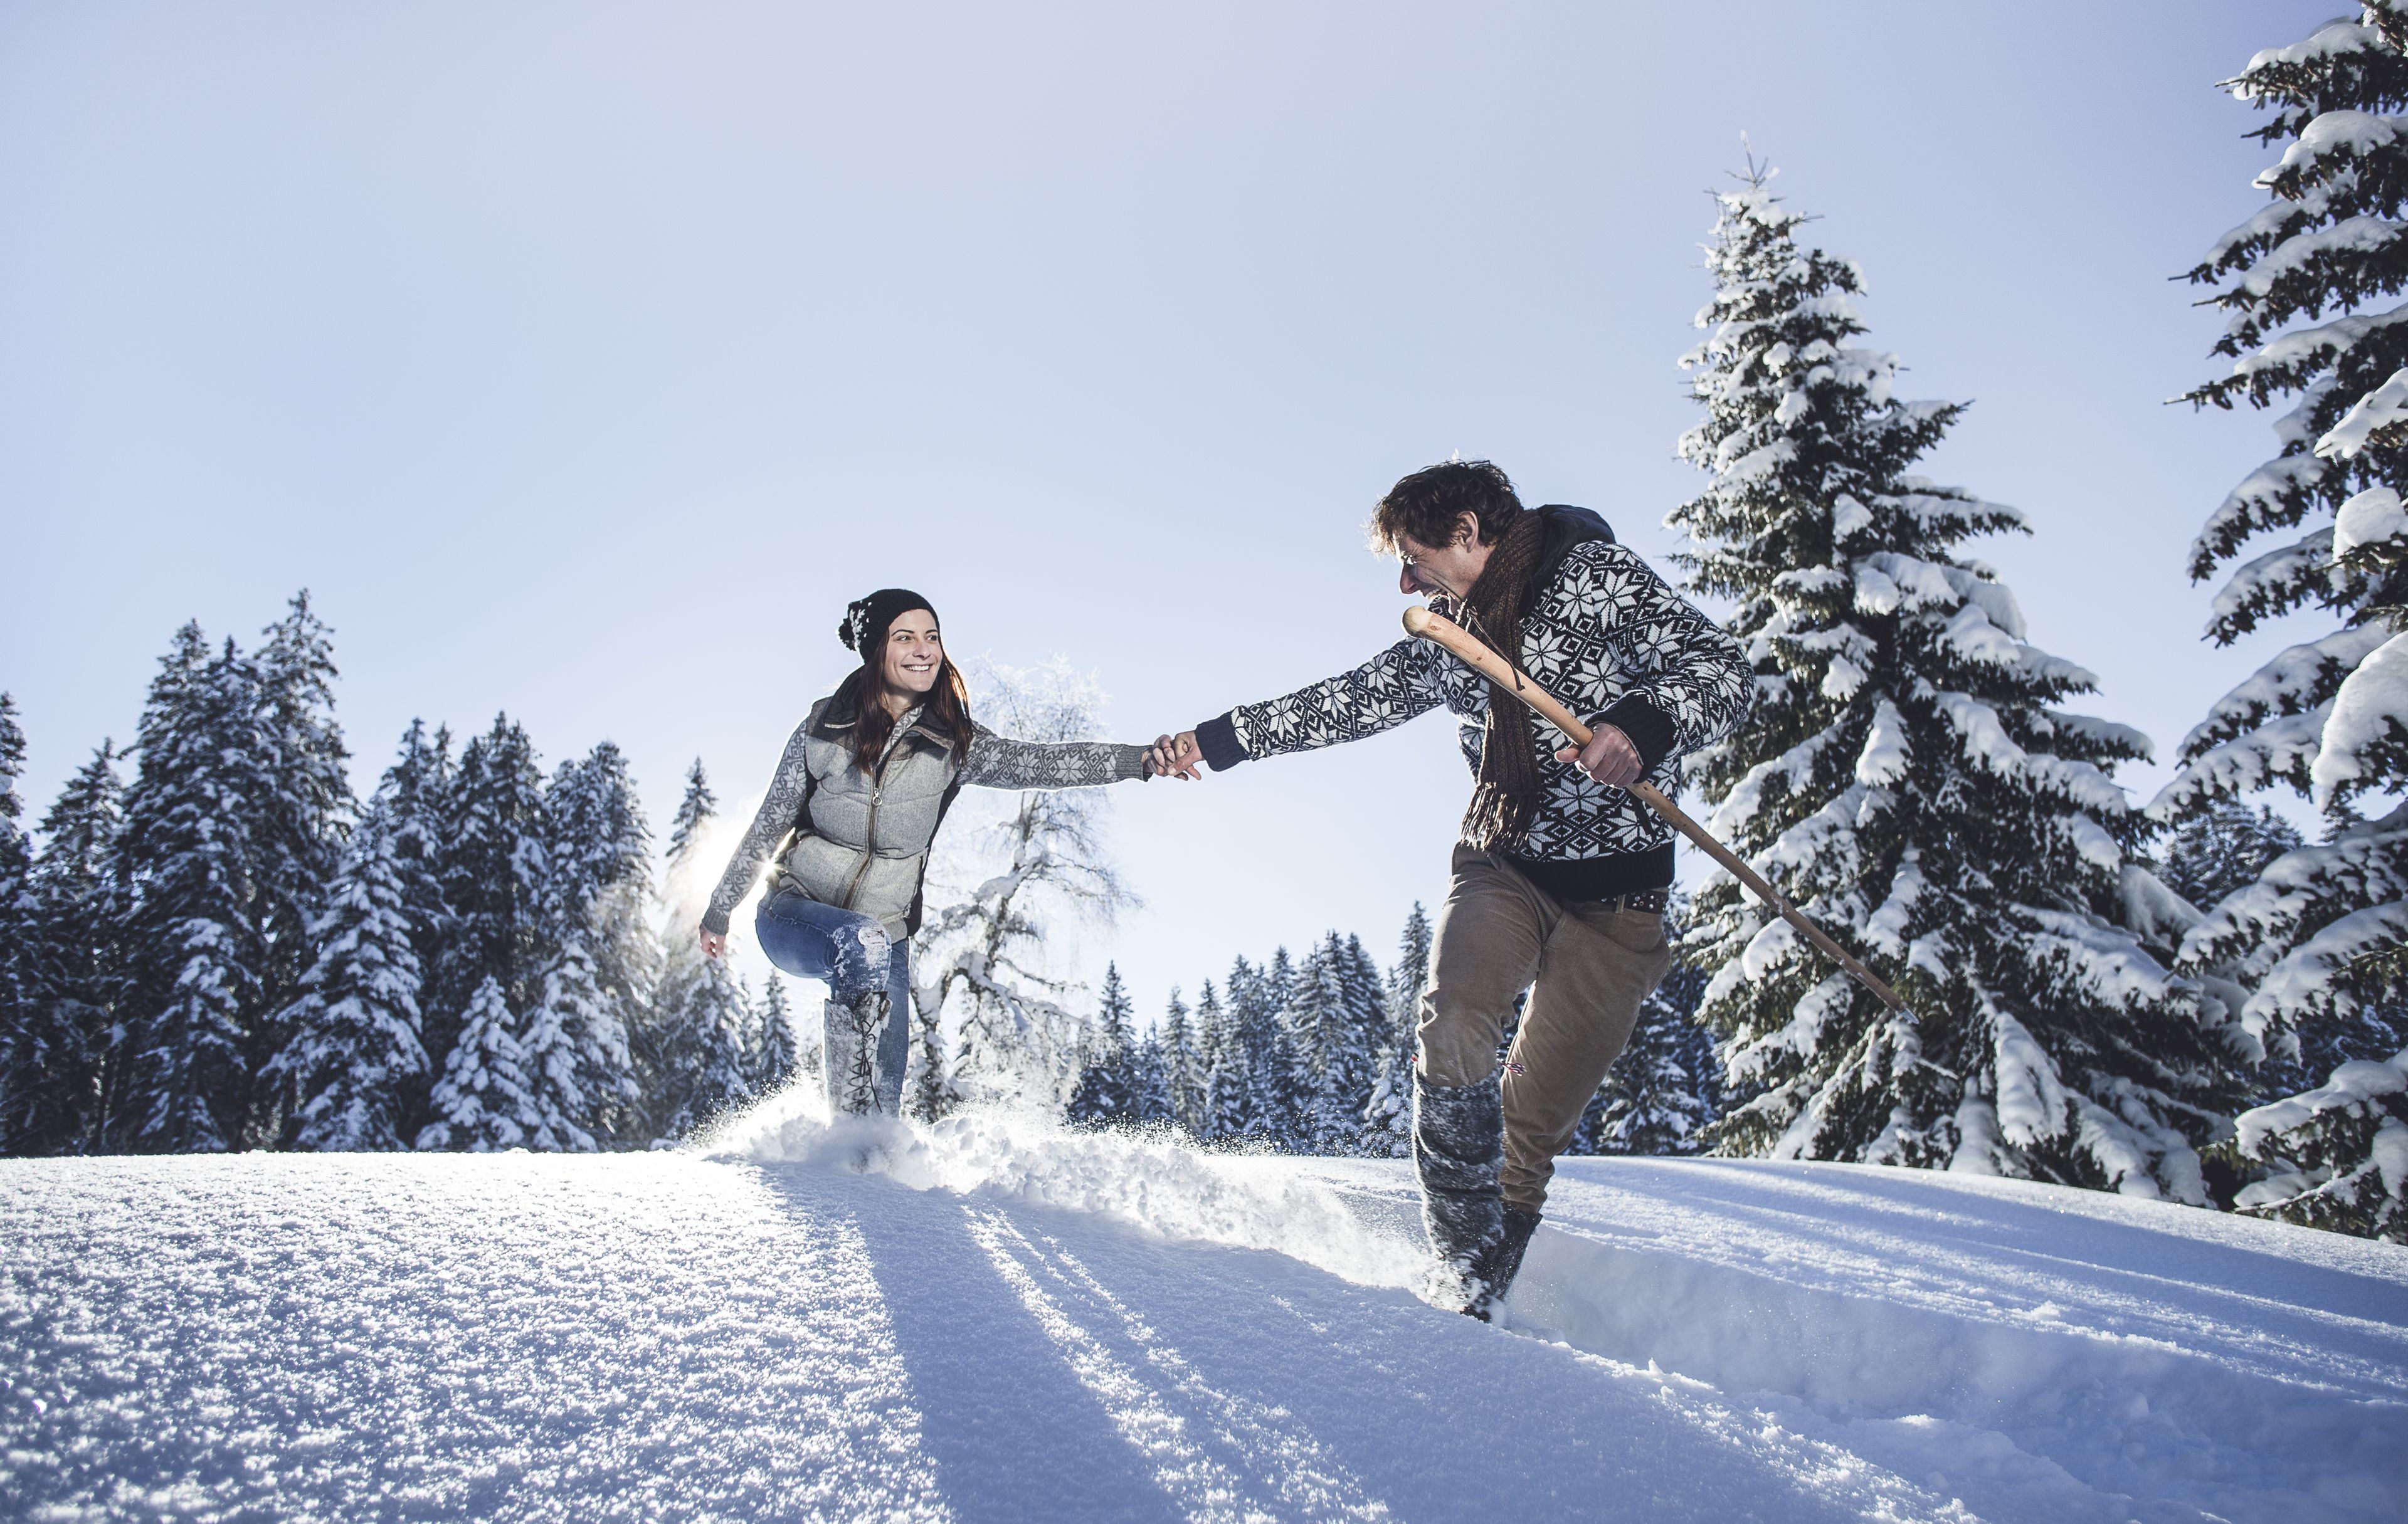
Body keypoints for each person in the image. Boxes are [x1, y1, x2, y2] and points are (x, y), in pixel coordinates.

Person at [1150, 460, 1750, 1318]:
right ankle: (1461, 1270)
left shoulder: (1595, 579)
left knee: (1532, 1127)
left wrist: (1640, 727)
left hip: (1619, 904)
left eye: (1414, 556)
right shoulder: (1448, 638)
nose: (1405, 581)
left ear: (1468, 532)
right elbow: (1345, 702)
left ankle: (1480, 1301)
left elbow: (1722, 671)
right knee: (1457, 1019)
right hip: (1505, 867)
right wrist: (1212, 741)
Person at [700, 587, 1178, 1118]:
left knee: (884, 1104)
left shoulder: (953, 742)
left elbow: (1043, 763)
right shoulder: (823, 730)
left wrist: (1141, 760)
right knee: (859, 944)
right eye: (905, 637)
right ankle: (849, 1123)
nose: (924, 649)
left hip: (886, 934)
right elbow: (768, 825)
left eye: (932, 637)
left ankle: (861, 1149)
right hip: (794, 915)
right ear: (876, 650)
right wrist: (720, 909)